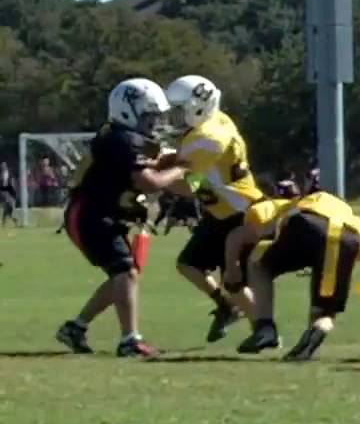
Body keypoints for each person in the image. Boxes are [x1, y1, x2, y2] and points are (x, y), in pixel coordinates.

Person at [55, 78, 188, 358]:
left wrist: (192, 176)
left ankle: (76, 328)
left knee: (124, 275)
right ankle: (130, 340)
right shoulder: (120, 139)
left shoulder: (121, 137)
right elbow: (149, 182)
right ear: (129, 111)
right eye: (149, 116)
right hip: (90, 215)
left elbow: (156, 173)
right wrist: (182, 169)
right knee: (125, 271)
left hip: (99, 213)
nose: (154, 123)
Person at [230, 191, 360, 361]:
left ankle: (265, 327)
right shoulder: (357, 223)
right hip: (344, 238)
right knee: (324, 313)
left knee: (258, 265)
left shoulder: (290, 204)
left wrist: (234, 265)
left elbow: (247, 228)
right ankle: (314, 334)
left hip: (303, 224)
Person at [164, 74, 264, 343]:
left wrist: (153, 181)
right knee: (189, 264)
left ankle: (266, 331)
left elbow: (190, 186)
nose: (172, 118)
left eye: (178, 111)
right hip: (221, 209)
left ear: (197, 106)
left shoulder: (207, 139)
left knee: (235, 281)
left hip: (238, 211)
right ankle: (226, 306)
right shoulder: (214, 121)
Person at [1, 161, 17, 227]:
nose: (2, 167)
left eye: (3, 165)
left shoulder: (10, 173)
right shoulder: (1, 174)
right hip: (5, 193)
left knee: (9, 211)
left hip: (10, 193)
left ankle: (14, 221)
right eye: (2, 166)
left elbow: (12, 182)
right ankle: (4, 223)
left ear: (6, 166)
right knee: (6, 210)